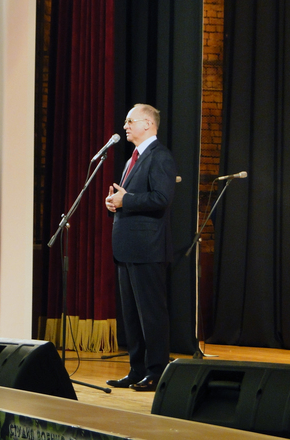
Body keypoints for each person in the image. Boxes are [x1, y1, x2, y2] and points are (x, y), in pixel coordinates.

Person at [105, 104, 177, 391]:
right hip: (128, 248)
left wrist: (127, 200)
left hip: (148, 248)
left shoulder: (160, 156)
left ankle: (157, 372)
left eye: (129, 121)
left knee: (151, 314)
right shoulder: (132, 159)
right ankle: (136, 370)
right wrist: (115, 203)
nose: (125, 126)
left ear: (147, 124)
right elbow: (130, 198)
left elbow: (161, 198)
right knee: (132, 315)